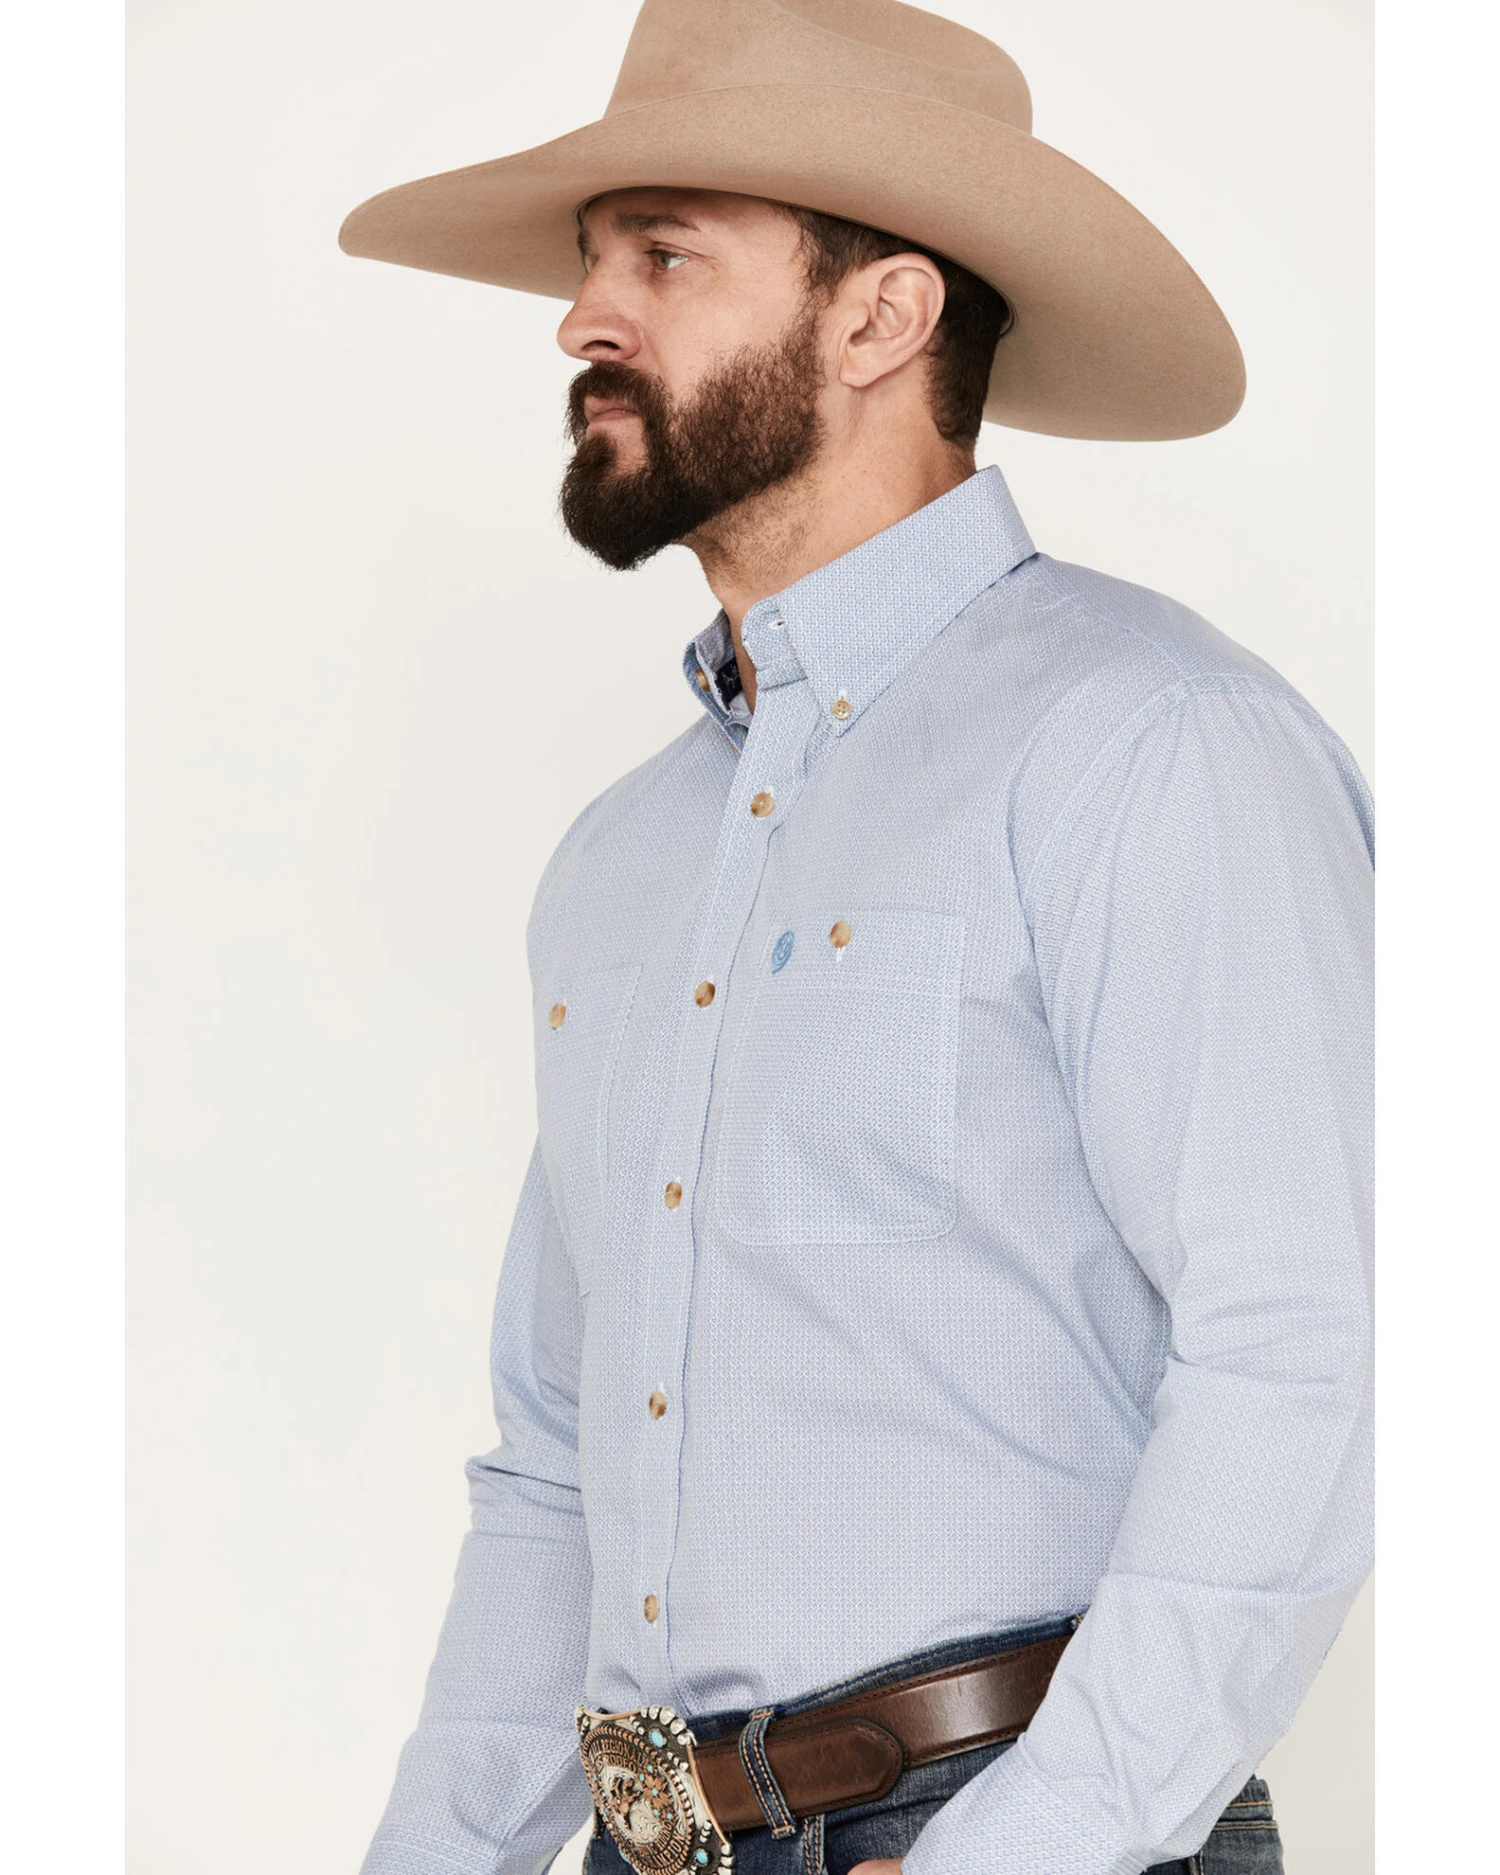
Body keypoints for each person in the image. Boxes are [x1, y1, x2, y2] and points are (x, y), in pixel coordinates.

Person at [338, 4, 1372, 1874]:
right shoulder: (620, 860)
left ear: (882, 317)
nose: (583, 320)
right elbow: (559, 1451)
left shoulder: (1150, 743)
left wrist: (1026, 1848)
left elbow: (1305, 1350)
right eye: (589, 261)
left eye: (663, 256)